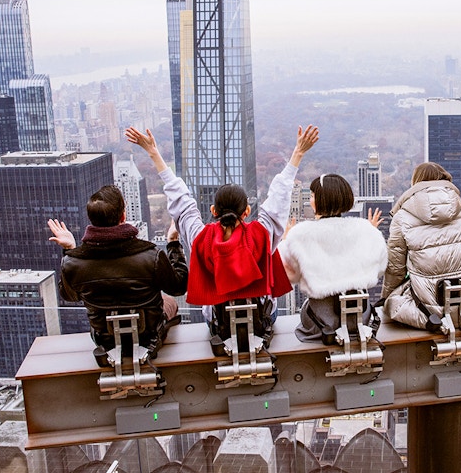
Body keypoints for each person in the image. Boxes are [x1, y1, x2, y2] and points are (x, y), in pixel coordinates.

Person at [127, 125, 318, 346]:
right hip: (261, 323)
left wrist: (153, 153)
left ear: (213, 211)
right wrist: (298, 153)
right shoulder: (262, 234)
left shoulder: (200, 238)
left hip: (219, 327)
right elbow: (279, 197)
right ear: (246, 211)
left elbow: (181, 201)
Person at [48, 185, 187, 358]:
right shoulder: (151, 255)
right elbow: (179, 287)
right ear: (123, 216)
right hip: (148, 338)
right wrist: (173, 242)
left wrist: (70, 251)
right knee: (169, 301)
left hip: (105, 341)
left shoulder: (74, 263)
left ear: (91, 220)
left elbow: (70, 296)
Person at [381, 162, 461, 330]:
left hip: (427, 310)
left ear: (416, 183)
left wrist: (387, 297)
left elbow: (395, 268)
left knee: (393, 303)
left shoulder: (403, 217)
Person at [277, 173, 387, 343]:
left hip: (321, 322)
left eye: (313, 196)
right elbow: (379, 270)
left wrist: (285, 240)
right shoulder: (365, 231)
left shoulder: (300, 235)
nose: (310, 200)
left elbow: (287, 274)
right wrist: (369, 232)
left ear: (320, 200)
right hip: (361, 318)